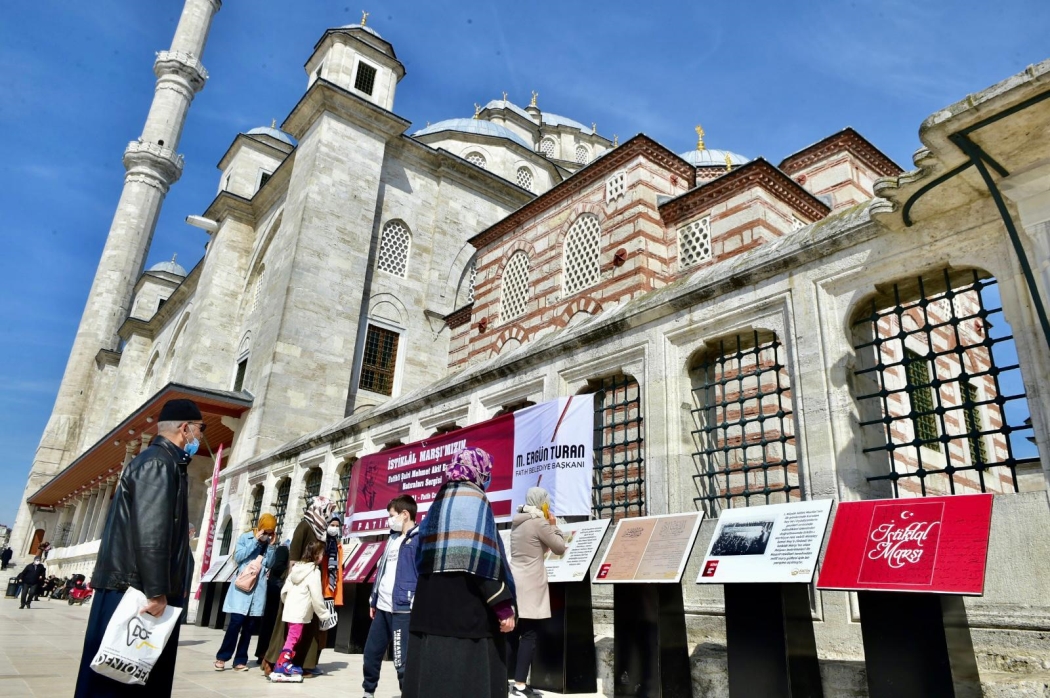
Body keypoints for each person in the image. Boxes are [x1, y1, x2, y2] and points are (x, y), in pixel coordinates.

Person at [74, 398, 201, 698]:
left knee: (128, 676)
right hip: (137, 591)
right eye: (199, 430)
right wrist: (158, 592)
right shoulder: (159, 463)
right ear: (185, 429)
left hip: (136, 586)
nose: (200, 437)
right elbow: (151, 533)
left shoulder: (163, 462)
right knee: (118, 681)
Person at [402, 447, 517, 698]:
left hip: (430, 610)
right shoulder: (475, 500)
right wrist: (503, 605)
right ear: (479, 470)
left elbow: (423, 554)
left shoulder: (439, 499)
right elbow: (481, 559)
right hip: (466, 615)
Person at [261, 496, 343, 677]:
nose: (329, 516)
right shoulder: (305, 526)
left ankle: (304, 663)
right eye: (327, 511)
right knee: (287, 627)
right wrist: (292, 584)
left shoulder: (320, 530)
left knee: (310, 627)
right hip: (297, 585)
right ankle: (273, 661)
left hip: (312, 582)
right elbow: (293, 558)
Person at [507, 487, 567, 696]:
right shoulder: (539, 522)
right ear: (542, 502)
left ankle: (505, 677)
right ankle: (521, 685)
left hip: (516, 581)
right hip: (532, 584)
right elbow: (559, 547)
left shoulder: (518, 522)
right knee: (530, 635)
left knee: (513, 633)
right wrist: (554, 526)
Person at [362, 494, 420, 698]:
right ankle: (368, 692)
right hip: (383, 607)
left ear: (405, 514)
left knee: (400, 661)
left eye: (392, 515)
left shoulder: (418, 539)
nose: (389, 519)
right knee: (371, 653)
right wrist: (374, 598)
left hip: (403, 609)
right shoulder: (392, 538)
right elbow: (383, 571)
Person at [213, 513, 277, 671]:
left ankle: (240, 660)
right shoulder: (246, 537)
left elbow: (270, 564)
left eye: (271, 532)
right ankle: (222, 657)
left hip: (258, 590)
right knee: (235, 624)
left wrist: (271, 546)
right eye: (265, 531)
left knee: (249, 628)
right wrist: (256, 541)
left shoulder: (270, 543)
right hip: (242, 589)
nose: (267, 535)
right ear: (260, 527)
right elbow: (238, 557)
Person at [272, 540, 335, 679]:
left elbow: (285, 590)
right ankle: (282, 663)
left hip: (290, 609)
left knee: (293, 636)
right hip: (300, 612)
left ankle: (285, 662)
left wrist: (288, 604)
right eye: (322, 554)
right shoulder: (313, 572)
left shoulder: (296, 568)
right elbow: (316, 596)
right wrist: (325, 615)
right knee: (294, 637)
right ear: (317, 555)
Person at [254, 540, 290, 665]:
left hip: (281, 591)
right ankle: (263, 654)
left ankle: (270, 653)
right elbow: (277, 566)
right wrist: (292, 567)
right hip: (275, 591)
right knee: (269, 624)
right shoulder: (284, 549)